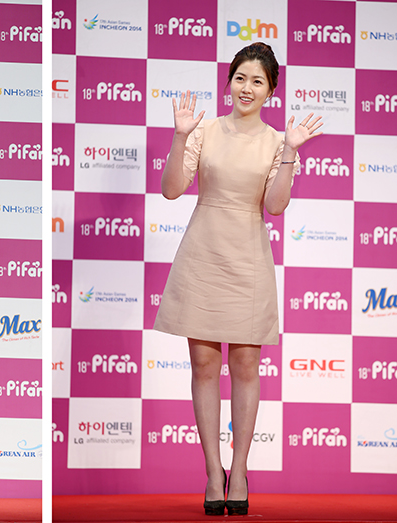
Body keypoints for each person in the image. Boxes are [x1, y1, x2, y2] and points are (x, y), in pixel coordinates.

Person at [153, 42, 322, 516]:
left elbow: (274, 205)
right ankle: (212, 471)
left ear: (271, 90)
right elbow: (171, 190)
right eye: (240, 78)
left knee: (246, 368)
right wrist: (180, 136)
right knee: (204, 368)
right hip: (202, 256)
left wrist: (289, 151)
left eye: (258, 81)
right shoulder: (204, 129)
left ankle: (241, 469)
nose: (247, 88)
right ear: (229, 82)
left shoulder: (276, 141)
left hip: (248, 259)